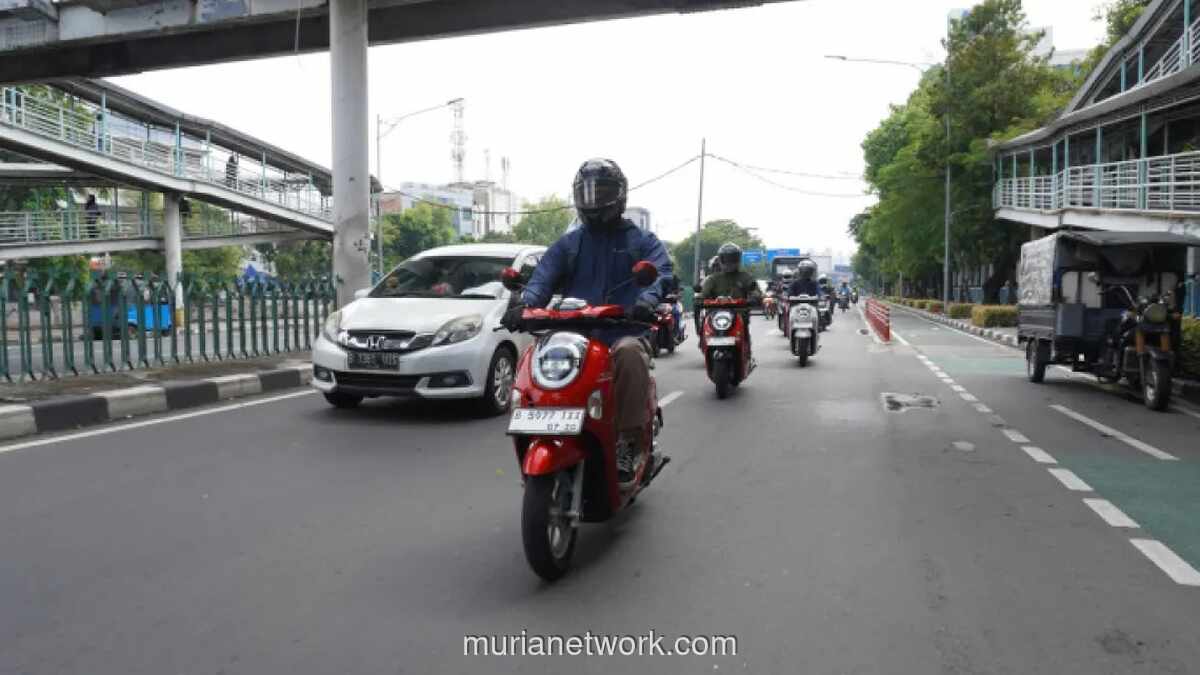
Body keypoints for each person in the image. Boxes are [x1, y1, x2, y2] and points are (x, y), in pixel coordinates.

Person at [517, 158, 673, 485]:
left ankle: (629, 442)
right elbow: (542, 279)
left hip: (622, 331)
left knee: (630, 355)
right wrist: (524, 305)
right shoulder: (569, 244)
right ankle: (538, 428)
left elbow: (661, 274)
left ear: (620, 196)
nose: (594, 199)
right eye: (587, 192)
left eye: (602, 191)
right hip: (574, 334)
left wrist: (645, 301)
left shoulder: (640, 240)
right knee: (537, 356)